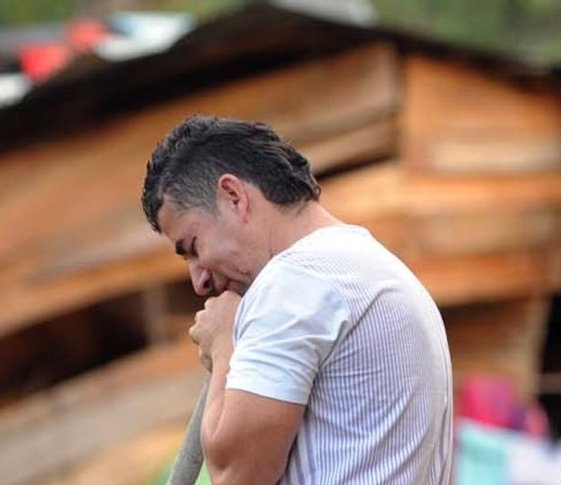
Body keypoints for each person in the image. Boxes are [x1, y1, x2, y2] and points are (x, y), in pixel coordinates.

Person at [141, 115, 453, 484]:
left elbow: (236, 476)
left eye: (193, 247)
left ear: (233, 196)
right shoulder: (375, 266)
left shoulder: (294, 281)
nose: (200, 281)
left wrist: (225, 343)